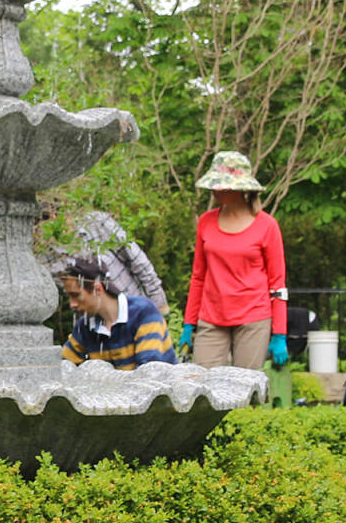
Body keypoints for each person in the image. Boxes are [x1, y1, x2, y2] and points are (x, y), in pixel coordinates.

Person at [179, 151, 289, 371]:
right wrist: (189, 324)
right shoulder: (206, 222)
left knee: (243, 389)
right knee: (204, 389)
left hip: (253, 319)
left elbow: (277, 285)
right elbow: (198, 276)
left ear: (239, 188)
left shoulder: (267, 226)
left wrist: (279, 334)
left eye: (220, 185)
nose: (214, 189)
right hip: (211, 318)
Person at [39, 206, 171, 315]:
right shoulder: (46, 255)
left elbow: (137, 260)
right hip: (95, 323)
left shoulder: (97, 223)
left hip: (133, 308)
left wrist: (158, 304)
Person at [58, 257, 178, 369]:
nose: (72, 304)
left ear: (97, 289)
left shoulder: (143, 313)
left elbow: (148, 372)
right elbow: (63, 367)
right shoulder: (85, 326)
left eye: (75, 295)